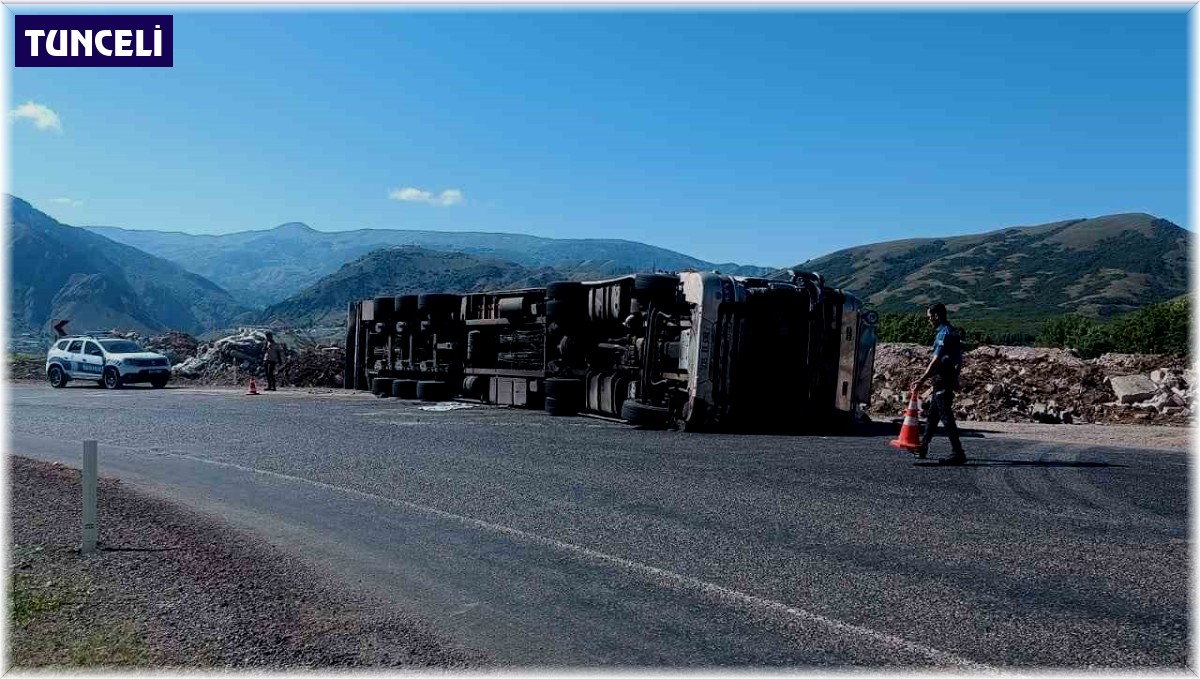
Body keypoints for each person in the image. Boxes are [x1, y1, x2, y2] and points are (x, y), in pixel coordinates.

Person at [909, 303, 966, 465]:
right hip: (945, 378)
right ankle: (923, 445)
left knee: (945, 416)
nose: (928, 321)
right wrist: (956, 376)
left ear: (936, 316)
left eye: (929, 317)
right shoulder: (952, 331)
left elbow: (936, 360)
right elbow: (958, 358)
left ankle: (958, 452)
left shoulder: (944, 333)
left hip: (943, 378)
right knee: (933, 415)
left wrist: (921, 380)